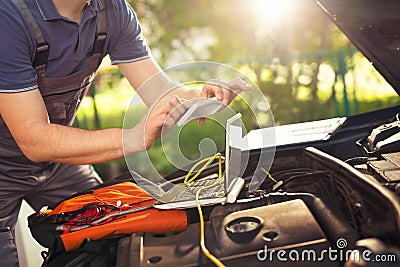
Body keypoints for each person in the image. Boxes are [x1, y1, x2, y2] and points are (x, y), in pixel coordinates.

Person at [0, 0, 251, 265]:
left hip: (58, 162)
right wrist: (131, 137)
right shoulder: (9, 18)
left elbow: (160, 91)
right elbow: (33, 139)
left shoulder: (112, 11)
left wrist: (201, 97)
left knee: (111, 234)